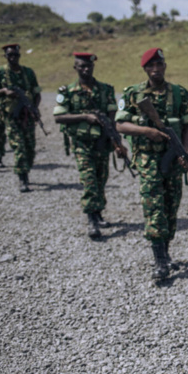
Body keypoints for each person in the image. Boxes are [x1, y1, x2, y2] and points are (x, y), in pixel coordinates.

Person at [115, 47, 188, 280]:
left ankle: (166, 252)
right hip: (148, 160)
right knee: (153, 207)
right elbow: (120, 125)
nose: (156, 70)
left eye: (160, 65)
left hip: (173, 158)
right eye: (151, 66)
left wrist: (184, 151)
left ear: (165, 66)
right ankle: (159, 261)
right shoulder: (132, 93)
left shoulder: (180, 94)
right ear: (145, 69)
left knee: (171, 206)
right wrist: (147, 131)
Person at [54, 52, 128, 239]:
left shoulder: (106, 90)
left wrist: (116, 141)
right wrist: (84, 117)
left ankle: (98, 212)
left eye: (89, 66)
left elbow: (113, 116)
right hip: (82, 144)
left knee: (101, 178)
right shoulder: (67, 91)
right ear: (75, 68)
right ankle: (91, 221)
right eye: (82, 66)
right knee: (89, 181)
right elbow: (59, 116)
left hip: (102, 143)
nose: (86, 69)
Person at [0, 44, 42, 192]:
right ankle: (22, 178)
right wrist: (4, 91)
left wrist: (35, 108)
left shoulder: (28, 73)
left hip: (28, 115)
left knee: (30, 146)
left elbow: (37, 93)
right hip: (11, 116)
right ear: (5, 56)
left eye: (15, 55)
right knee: (19, 146)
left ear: (19, 55)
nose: (13, 58)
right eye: (10, 55)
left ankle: (26, 169)